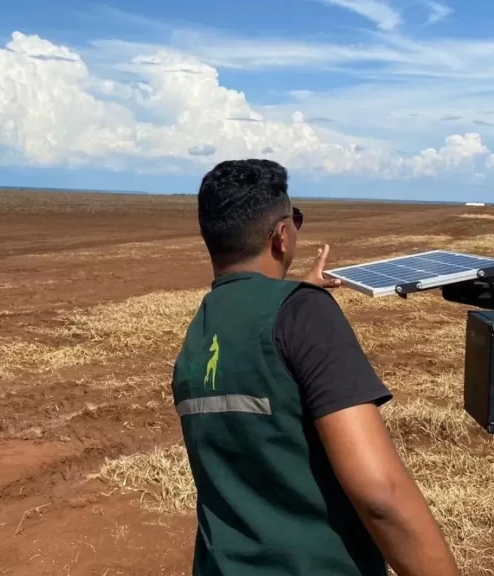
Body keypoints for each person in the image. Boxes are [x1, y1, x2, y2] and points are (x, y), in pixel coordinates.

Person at [170, 158, 460, 576]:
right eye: (296, 220)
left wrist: (295, 295)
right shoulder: (305, 316)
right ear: (282, 236)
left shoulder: (199, 333)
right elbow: (381, 495)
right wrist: (301, 306)